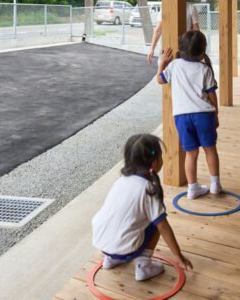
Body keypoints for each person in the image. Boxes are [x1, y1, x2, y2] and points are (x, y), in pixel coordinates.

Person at [92, 134, 193, 282]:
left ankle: (110, 259)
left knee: (121, 217)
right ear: (154, 163)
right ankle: (143, 266)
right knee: (157, 221)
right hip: (124, 248)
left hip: (102, 243)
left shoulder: (121, 180)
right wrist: (179, 256)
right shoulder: (148, 188)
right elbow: (163, 227)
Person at [157, 30, 222, 199]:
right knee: (210, 150)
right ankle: (215, 185)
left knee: (190, 153)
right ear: (202, 51)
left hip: (182, 117)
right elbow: (212, 95)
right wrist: (216, 114)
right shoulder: (204, 69)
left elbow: (160, 79)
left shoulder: (174, 65)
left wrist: (162, 64)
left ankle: (192, 188)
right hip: (203, 115)